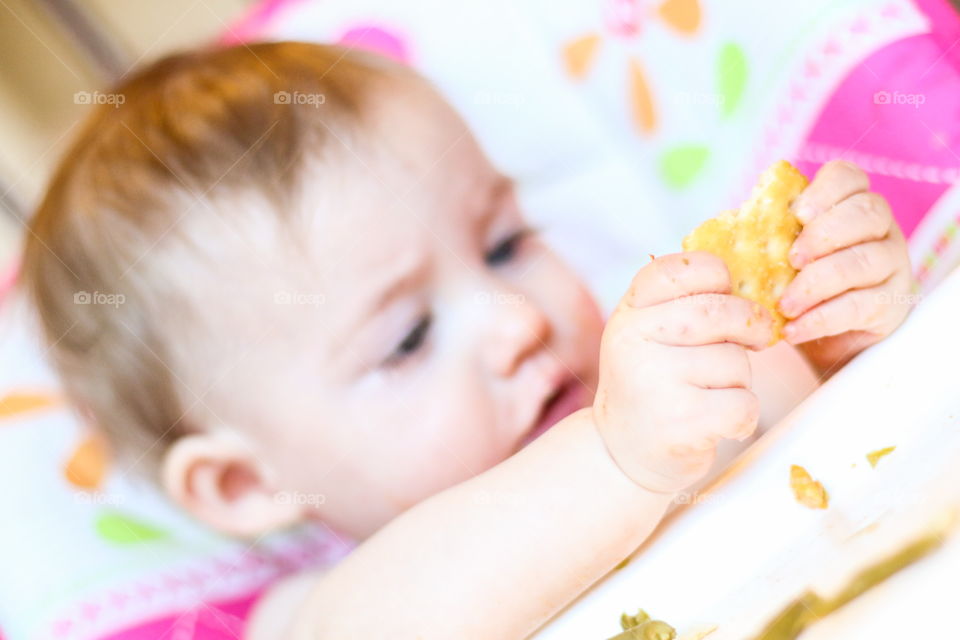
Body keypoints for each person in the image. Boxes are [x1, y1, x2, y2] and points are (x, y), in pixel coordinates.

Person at [20, 42, 913, 638]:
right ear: (248, 482)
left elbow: (798, 423)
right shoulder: (331, 611)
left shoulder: (657, 418)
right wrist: (614, 456)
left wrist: (827, 332)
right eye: (407, 338)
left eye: (504, 244)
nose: (515, 319)